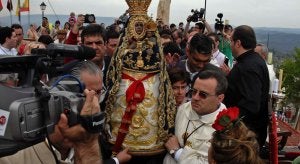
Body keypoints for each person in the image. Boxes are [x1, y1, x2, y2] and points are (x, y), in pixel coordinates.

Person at [105, 0, 176, 163]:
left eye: (142, 26)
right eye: (136, 26)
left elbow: (163, 79)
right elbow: (113, 79)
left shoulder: (155, 51)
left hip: (151, 140)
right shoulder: (122, 52)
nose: (139, 31)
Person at [163, 70, 227, 164]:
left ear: (220, 98)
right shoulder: (184, 108)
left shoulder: (226, 128)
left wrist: (177, 152)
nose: (195, 98)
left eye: (203, 94)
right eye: (194, 91)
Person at [224, 25, 269, 152]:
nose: (229, 44)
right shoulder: (253, 61)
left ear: (238, 43)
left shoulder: (248, 67)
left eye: (231, 41)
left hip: (245, 138)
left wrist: (225, 121)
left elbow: (250, 104)